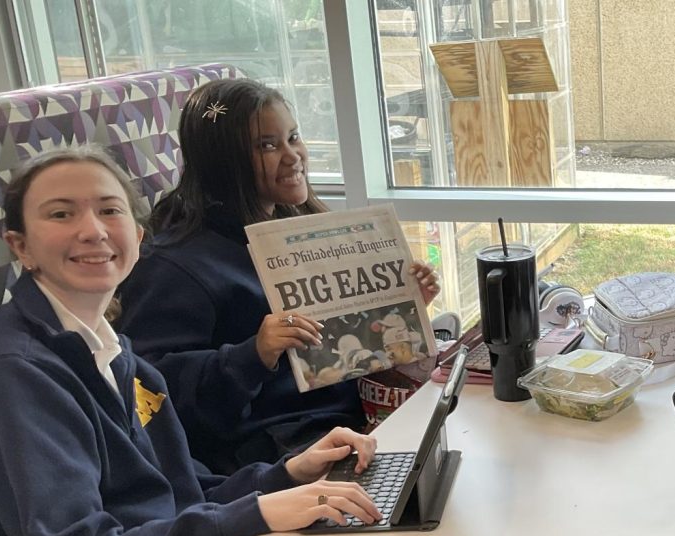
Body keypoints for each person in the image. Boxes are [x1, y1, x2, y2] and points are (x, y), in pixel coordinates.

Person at [0, 146, 522, 536]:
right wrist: (259, 513)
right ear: (21, 245)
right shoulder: (14, 374)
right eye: (61, 215)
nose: (91, 230)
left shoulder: (110, 351)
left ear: (135, 233)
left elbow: (177, 491)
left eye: (108, 210)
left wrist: (288, 474)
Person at [117, 78, 441, 474]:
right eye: (267, 146)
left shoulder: (299, 229)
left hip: (355, 418)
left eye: (293, 137)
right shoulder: (172, 265)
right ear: (224, 160)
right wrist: (254, 353)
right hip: (275, 455)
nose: (293, 156)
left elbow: (343, 351)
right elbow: (150, 394)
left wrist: (404, 308)